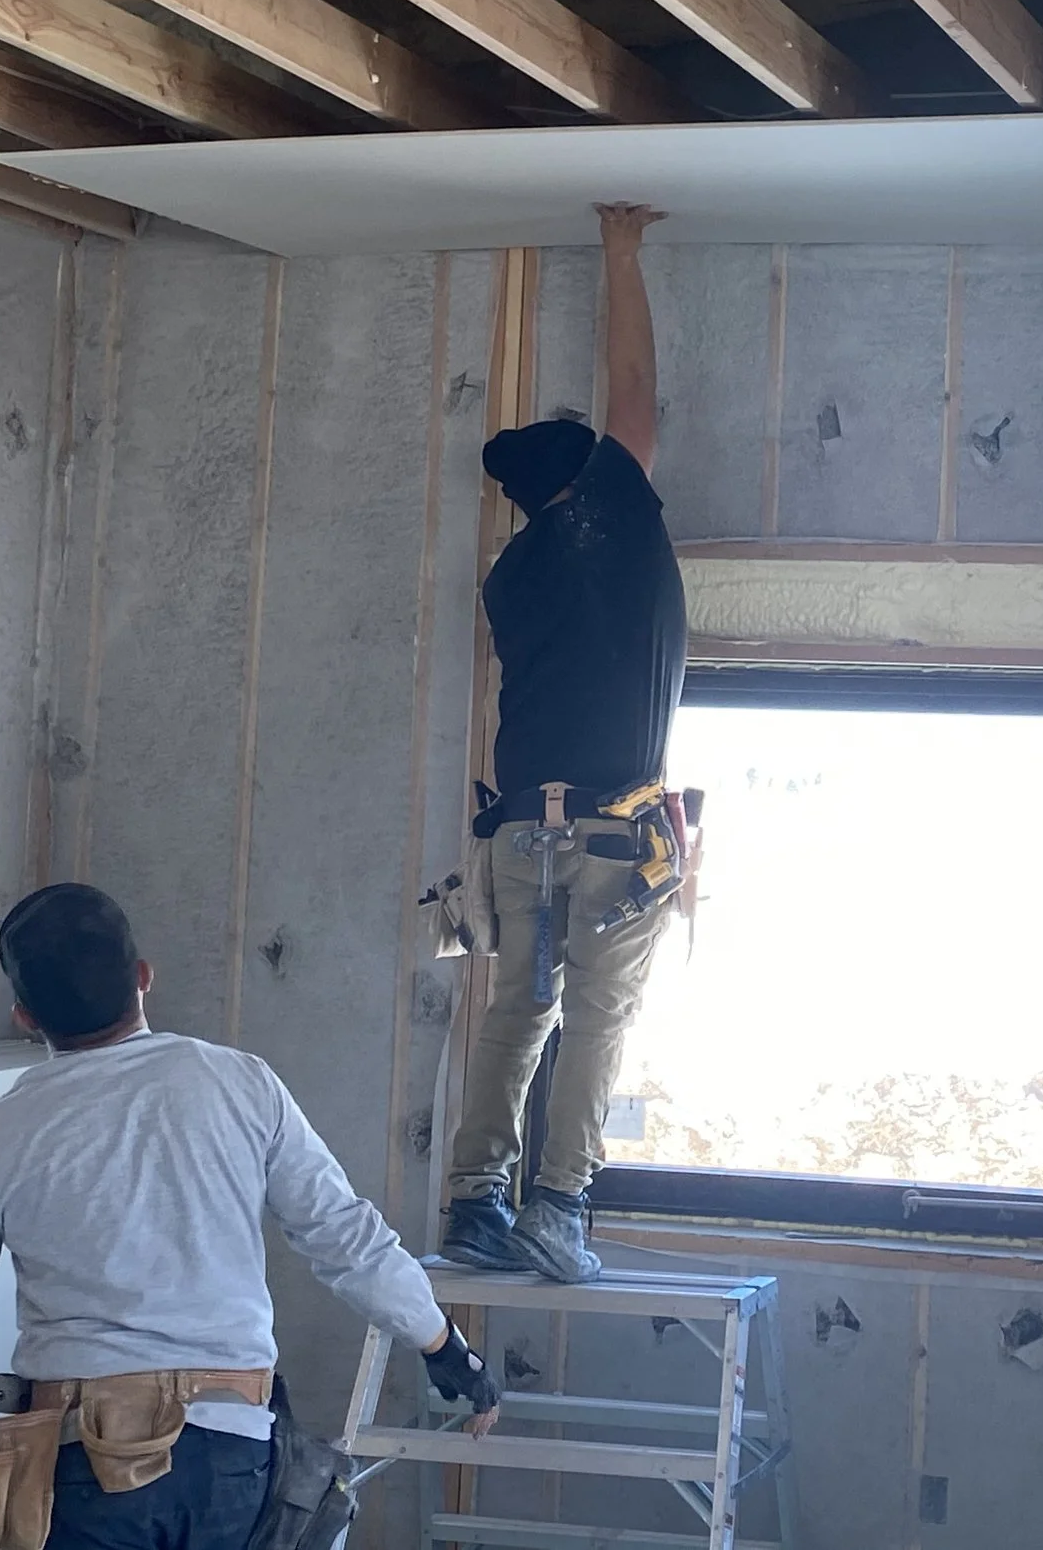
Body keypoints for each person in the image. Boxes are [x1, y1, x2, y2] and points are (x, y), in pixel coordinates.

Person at [0, 882, 500, 1550]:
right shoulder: (242, 1085)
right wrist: (445, 1346)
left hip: (81, 1465)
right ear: (142, 976)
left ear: (24, 1015)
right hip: (232, 1458)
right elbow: (346, 1238)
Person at [440, 200, 688, 1283]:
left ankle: (474, 1202)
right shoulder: (613, 520)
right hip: (606, 843)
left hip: (519, 837)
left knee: (518, 1010)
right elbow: (638, 394)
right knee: (598, 1016)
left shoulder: (514, 570)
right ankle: (559, 1205)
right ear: (585, 482)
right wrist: (622, 247)